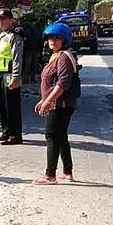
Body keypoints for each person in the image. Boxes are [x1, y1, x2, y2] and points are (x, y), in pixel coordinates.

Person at [34, 22, 78, 185]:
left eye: (57, 38)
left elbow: (62, 84)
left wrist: (47, 101)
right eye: (51, 37)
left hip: (61, 104)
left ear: (64, 40)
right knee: (61, 136)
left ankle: (50, 175)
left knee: (51, 135)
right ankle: (67, 172)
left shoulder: (64, 57)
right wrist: (43, 99)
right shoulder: (55, 55)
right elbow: (50, 82)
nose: (53, 40)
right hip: (56, 102)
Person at [0, 9, 24, 145]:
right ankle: (6, 131)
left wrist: (15, 77)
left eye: (4, 18)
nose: (1, 21)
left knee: (12, 106)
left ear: (11, 20)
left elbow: (17, 59)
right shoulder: (1, 36)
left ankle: (15, 136)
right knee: (2, 106)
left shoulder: (14, 37)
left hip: (9, 74)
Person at [21, 17, 44, 84]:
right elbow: (41, 41)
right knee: (34, 65)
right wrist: (41, 49)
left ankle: (26, 79)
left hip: (29, 49)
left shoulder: (28, 30)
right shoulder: (38, 30)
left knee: (28, 65)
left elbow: (24, 38)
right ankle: (32, 79)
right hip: (35, 49)